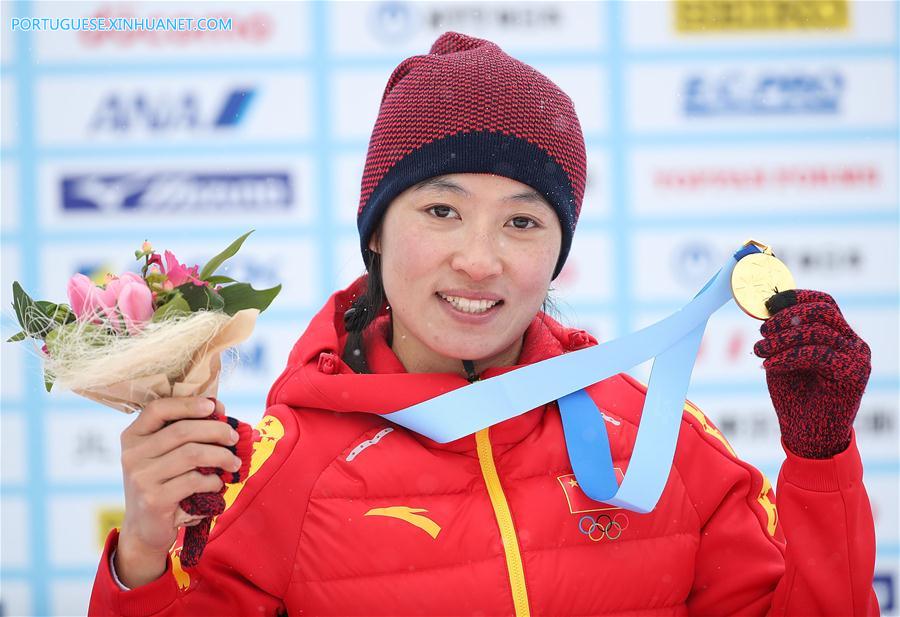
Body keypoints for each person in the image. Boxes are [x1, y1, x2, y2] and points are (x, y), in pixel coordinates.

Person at [89, 32, 878, 616]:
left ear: (560, 250)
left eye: (523, 223)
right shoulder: (280, 470)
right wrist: (144, 558)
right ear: (374, 234)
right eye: (441, 210)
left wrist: (821, 458)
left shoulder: (658, 440)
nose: (479, 259)